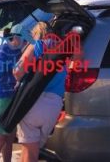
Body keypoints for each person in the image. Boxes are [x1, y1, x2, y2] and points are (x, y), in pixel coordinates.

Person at [12, 21, 73, 162]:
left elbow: (17, 71)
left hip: (33, 103)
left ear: (36, 34)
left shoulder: (38, 45)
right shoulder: (64, 50)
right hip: (54, 107)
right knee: (31, 150)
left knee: (29, 152)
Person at [0, 25, 24, 162]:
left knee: (9, 139)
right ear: (13, 37)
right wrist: (16, 75)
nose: (22, 40)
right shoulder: (1, 53)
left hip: (13, 99)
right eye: (20, 37)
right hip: (1, 100)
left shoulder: (19, 52)